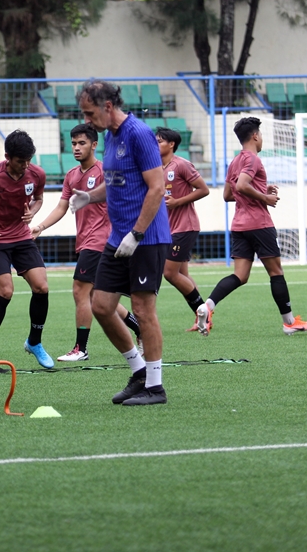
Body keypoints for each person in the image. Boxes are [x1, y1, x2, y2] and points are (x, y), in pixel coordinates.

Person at [71, 80, 172, 406]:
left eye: (90, 113)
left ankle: (155, 387)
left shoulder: (139, 134)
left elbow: (156, 188)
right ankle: (139, 371)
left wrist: (137, 233)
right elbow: (116, 184)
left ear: (108, 106)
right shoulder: (111, 136)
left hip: (147, 238)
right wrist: (89, 196)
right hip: (118, 239)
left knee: (143, 309)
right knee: (101, 306)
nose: (87, 120)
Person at [31, 124, 145, 362]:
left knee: (79, 290)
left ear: (94, 145)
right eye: (73, 143)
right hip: (85, 241)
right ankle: (139, 328)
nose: (76, 147)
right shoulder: (71, 175)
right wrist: (40, 227)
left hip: (100, 241)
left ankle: (80, 349)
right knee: (96, 297)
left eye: (82, 143)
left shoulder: (104, 171)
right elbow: (62, 207)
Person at [195, 117, 307, 336]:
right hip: (259, 224)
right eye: (260, 135)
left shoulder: (235, 161)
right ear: (255, 136)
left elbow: (228, 194)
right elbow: (242, 185)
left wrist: (259, 189)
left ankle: (208, 306)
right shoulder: (253, 159)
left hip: (239, 225)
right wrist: (264, 198)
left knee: (240, 276)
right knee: (276, 272)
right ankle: (289, 322)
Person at [0, 129, 54, 374]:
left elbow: (39, 198)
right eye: (20, 161)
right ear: (7, 157)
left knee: (42, 287)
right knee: (5, 291)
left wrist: (32, 212)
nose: (25, 166)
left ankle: (34, 342)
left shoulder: (37, 173)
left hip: (22, 238)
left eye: (28, 160)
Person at [154, 127, 211, 333]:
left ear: (171, 144)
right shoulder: (155, 168)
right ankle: (202, 317)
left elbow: (204, 189)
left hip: (185, 226)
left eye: (160, 141)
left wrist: (178, 202)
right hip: (168, 229)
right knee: (182, 274)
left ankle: (204, 312)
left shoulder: (181, 165)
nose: (156, 144)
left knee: (169, 273)